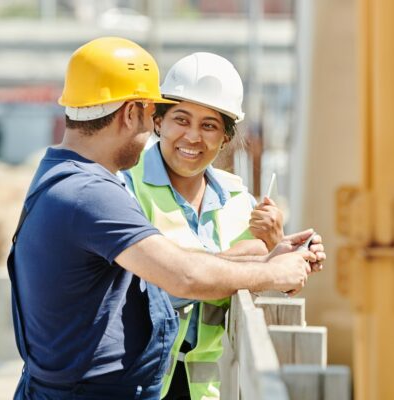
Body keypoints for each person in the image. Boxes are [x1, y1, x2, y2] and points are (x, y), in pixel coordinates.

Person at [9, 37, 318, 400]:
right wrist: (273, 272)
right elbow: (181, 276)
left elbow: (173, 270)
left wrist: (267, 253)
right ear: (131, 113)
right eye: (157, 115)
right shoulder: (91, 193)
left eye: (209, 126)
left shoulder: (69, 179)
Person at [120, 52, 325, 400]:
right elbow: (160, 280)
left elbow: (261, 283)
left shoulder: (238, 200)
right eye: (181, 119)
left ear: (226, 137)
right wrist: (244, 259)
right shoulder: (126, 187)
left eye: (209, 125)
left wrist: (281, 249)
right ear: (159, 122)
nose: (193, 137)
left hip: (202, 390)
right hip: (132, 384)